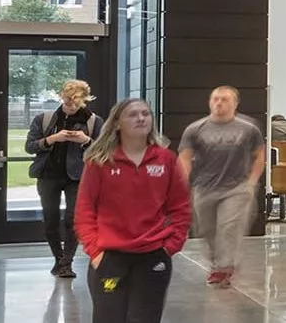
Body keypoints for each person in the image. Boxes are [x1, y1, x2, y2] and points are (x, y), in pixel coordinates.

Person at [76, 98, 190, 323]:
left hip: (154, 256)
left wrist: (171, 246)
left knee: (145, 318)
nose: (141, 118)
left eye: (145, 113)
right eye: (133, 114)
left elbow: (181, 207)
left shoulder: (166, 159)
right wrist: (95, 252)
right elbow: (84, 209)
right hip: (109, 258)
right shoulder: (99, 161)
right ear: (117, 123)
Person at [177, 85, 266, 287]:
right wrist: (181, 184)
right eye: (215, 99)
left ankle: (224, 267)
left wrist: (251, 182)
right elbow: (185, 158)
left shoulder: (248, 128)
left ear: (235, 104)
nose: (219, 103)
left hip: (236, 188)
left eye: (225, 99)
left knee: (228, 226)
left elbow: (260, 155)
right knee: (206, 229)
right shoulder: (195, 129)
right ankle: (218, 262)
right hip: (204, 187)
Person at [25, 79, 103, 278]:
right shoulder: (45, 118)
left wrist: (85, 141)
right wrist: (52, 139)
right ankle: (58, 260)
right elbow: (30, 146)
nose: (71, 105)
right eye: (68, 100)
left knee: (73, 220)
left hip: (77, 177)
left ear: (84, 101)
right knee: (50, 220)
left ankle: (66, 263)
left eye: (76, 102)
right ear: (62, 96)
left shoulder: (94, 122)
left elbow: (103, 151)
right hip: (48, 175)